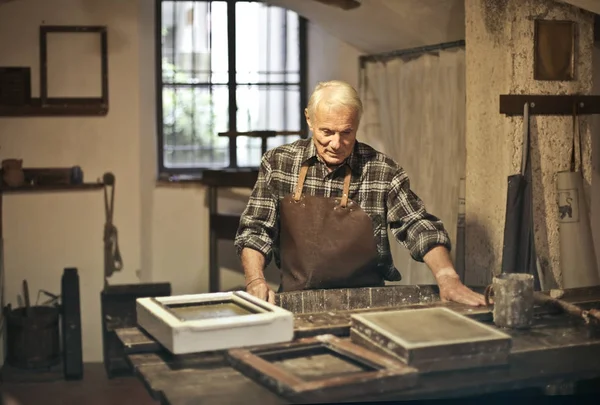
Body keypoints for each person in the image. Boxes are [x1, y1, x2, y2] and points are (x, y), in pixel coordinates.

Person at [234, 80, 486, 307]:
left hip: (367, 302)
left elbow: (417, 225)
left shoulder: (381, 169)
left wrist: (447, 278)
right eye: (327, 132)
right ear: (309, 119)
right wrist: (255, 280)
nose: (336, 143)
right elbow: (256, 230)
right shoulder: (279, 163)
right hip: (297, 300)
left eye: (347, 132)